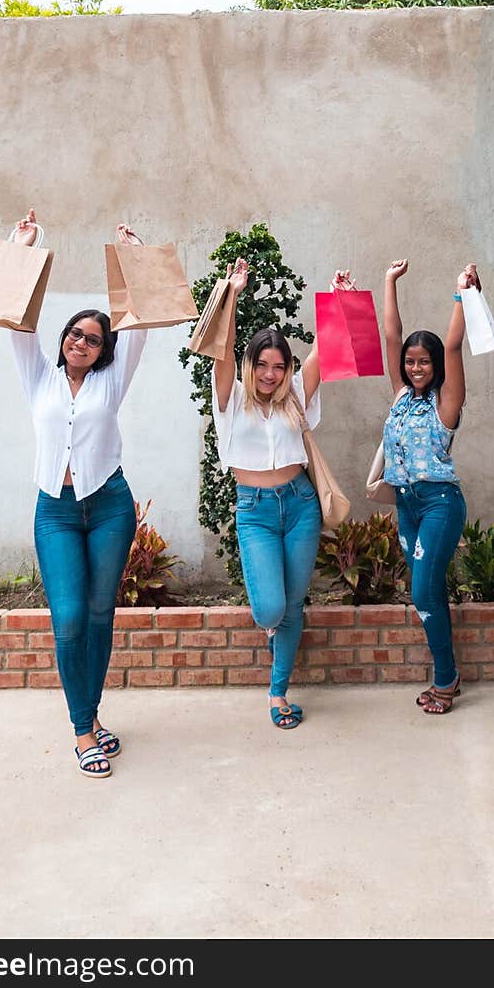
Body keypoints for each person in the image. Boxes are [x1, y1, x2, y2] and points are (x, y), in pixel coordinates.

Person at [10, 207, 147, 776]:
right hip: (56, 512)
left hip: (110, 505)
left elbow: (136, 325)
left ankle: (89, 719)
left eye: (92, 338)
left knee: (98, 613)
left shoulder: (112, 380)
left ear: (103, 349)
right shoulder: (38, 375)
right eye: (74, 333)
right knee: (67, 618)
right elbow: (18, 322)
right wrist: (24, 247)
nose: (80, 341)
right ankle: (82, 728)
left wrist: (131, 257)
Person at [212, 257, 351, 730]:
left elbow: (324, 352)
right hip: (254, 511)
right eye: (263, 365)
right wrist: (232, 292)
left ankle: (278, 692)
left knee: (293, 605)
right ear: (250, 366)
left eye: (280, 366)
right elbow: (222, 351)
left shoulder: (295, 397)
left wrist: (336, 298)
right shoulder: (229, 399)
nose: (271, 374)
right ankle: (276, 633)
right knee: (270, 607)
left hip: (300, 505)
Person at [380, 258, 478, 716]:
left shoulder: (446, 404)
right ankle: (448, 672)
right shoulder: (401, 396)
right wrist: (389, 282)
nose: (415, 367)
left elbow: (455, 346)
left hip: (440, 504)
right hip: (407, 505)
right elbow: (391, 337)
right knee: (430, 591)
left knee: (421, 593)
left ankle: (446, 678)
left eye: (424, 362)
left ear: (435, 366)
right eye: (410, 362)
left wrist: (461, 293)